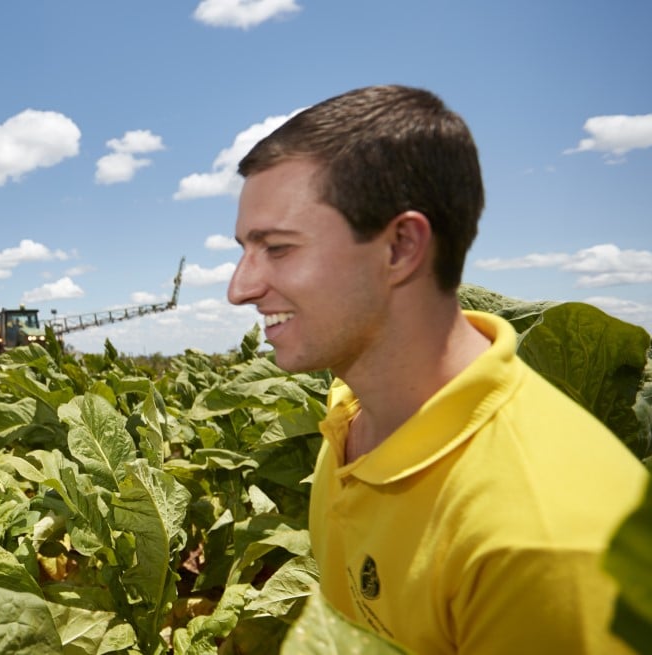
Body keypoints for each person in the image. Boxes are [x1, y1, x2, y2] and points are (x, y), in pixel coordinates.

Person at [226, 85, 648, 654]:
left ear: (401, 246)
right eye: (244, 251)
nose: (240, 288)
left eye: (277, 248)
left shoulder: (547, 542)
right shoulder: (351, 420)